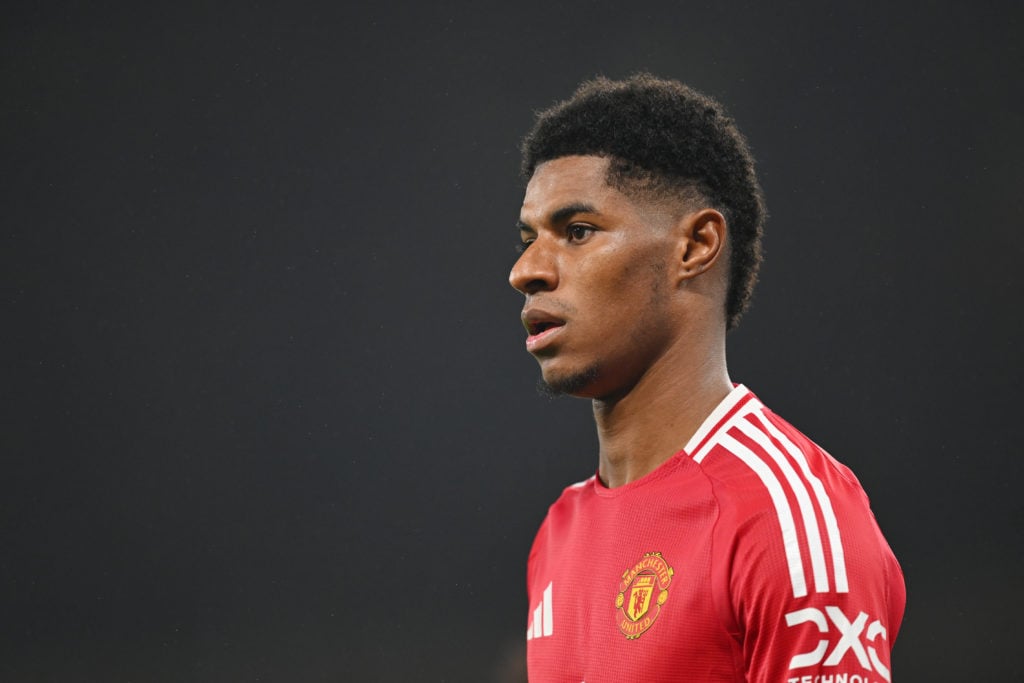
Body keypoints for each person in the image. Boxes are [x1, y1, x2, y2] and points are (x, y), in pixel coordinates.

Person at [509, 74, 905, 682]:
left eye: (578, 231)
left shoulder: (786, 514)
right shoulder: (559, 532)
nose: (526, 270)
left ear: (695, 246)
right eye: (528, 238)